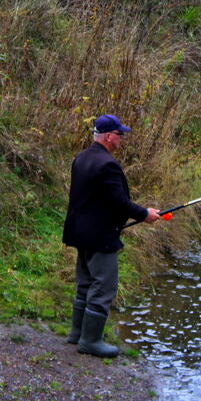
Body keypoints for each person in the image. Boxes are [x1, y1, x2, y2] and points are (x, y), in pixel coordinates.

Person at [62, 113, 160, 357]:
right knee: (103, 286)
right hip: (99, 236)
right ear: (108, 136)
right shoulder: (108, 164)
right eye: (119, 135)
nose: (121, 139)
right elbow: (118, 202)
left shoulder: (81, 158)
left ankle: (77, 334)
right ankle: (91, 341)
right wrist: (144, 214)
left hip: (80, 233)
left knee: (84, 283)